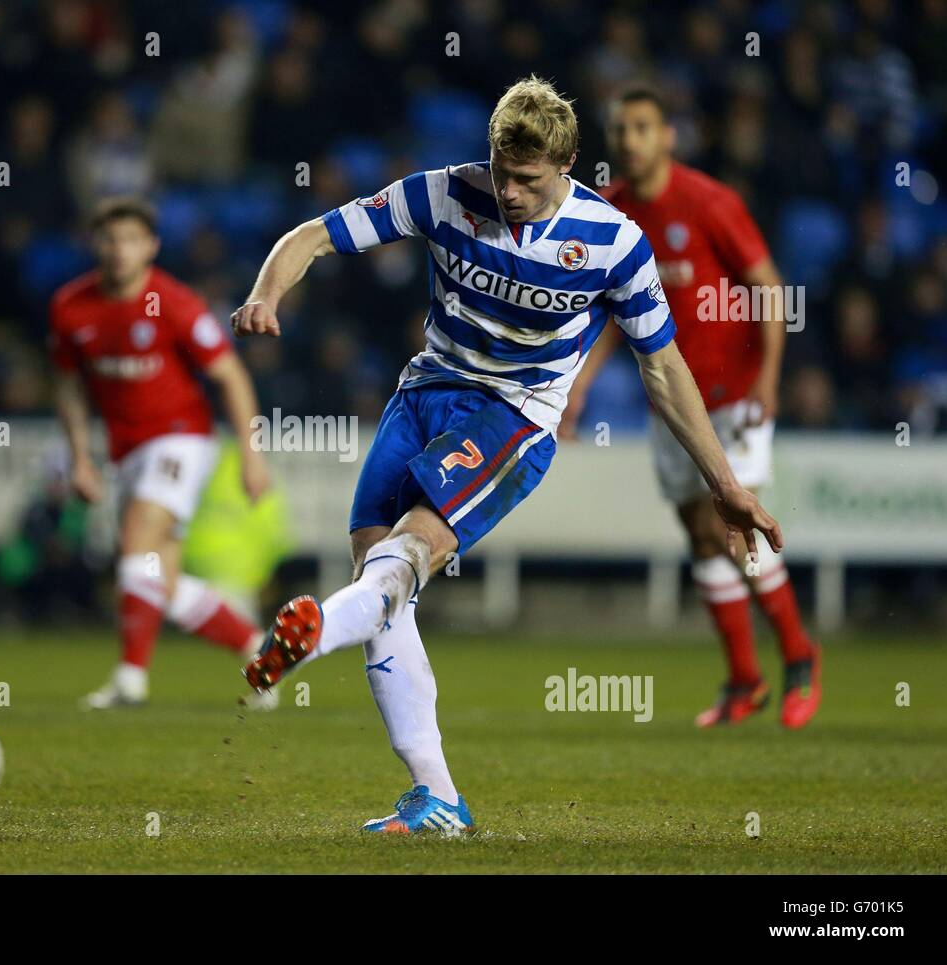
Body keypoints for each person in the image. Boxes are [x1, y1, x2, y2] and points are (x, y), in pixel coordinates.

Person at [232, 76, 783, 834]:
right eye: (502, 172)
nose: (512, 191)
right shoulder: (442, 193)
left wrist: (723, 481)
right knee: (380, 578)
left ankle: (313, 631)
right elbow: (315, 235)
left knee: (408, 553)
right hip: (424, 391)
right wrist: (267, 293)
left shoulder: (614, 242)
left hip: (516, 415)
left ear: (567, 165)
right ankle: (439, 799)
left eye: (528, 179)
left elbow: (663, 366)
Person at [561, 87, 820, 729]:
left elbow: (768, 290)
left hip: (733, 399)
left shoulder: (710, 203)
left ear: (668, 136)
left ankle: (798, 657)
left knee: (737, 524)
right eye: (621, 129)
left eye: (643, 127)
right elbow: (613, 316)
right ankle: (743, 679)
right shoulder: (613, 212)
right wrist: (581, 384)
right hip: (671, 406)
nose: (629, 140)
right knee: (701, 536)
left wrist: (768, 378)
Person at [50, 197, 275, 709]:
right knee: (157, 580)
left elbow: (231, 376)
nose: (119, 251)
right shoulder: (70, 306)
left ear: (150, 246)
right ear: (95, 244)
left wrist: (251, 453)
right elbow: (66, 385)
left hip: (180, 439)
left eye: (130, 240)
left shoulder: (172, 302)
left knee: (135, 547)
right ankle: (262, 652)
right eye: (109, 239)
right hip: (126, 451)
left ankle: (130, 679)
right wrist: (81, 458)